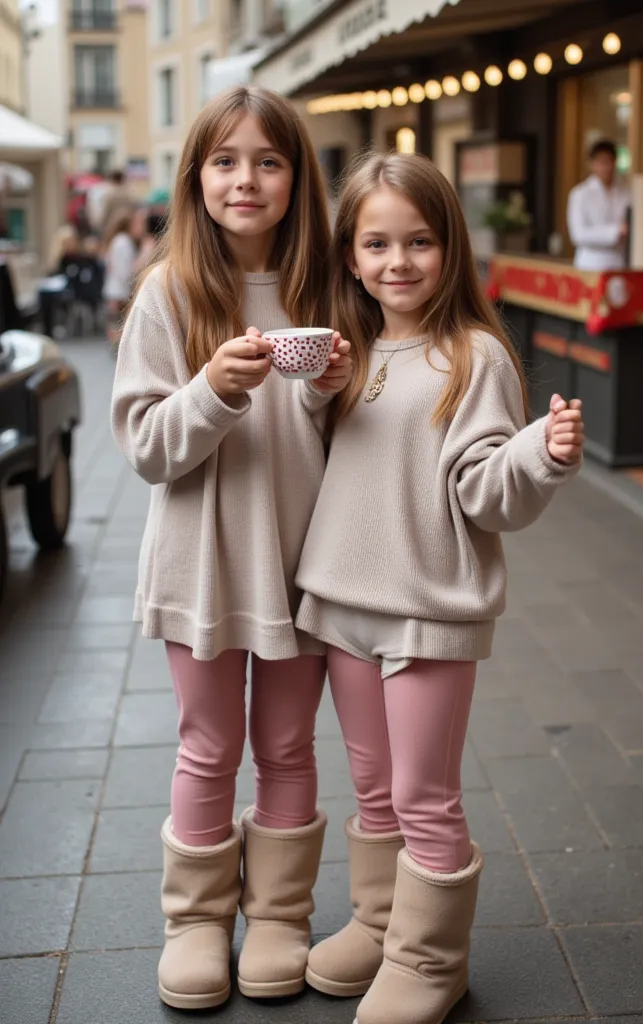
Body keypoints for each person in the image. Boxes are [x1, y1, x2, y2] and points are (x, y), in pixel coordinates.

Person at [295, 152, 584, 1024]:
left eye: (419, 241)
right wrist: (316, 394)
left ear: (450, 247)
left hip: (426, 612)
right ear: (350, 256)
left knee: (425, 796)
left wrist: (539, 453)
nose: (399, 262)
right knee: (374, 789)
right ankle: (381, 926)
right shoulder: (353, 353)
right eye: (377, 243)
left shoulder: (477, 356)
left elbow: (483, 493)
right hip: (341, 603)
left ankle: (430, 960)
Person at [110, 86, 352, 1012]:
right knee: (209, 744)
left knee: (289, 743)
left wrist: (335, 389)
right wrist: (213, 388)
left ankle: (282, 917)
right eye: (225, 161)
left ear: (297, 180)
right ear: (196, 177)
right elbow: (145, 448)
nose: (245, 179)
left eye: (268, 160)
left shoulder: (328, 289)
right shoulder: (170, 291)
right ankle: (197, 923)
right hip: (202, 556)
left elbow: (348, 437)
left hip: (300, 555)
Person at [567, 139, 631, 271]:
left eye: (609, 161)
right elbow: (578, 234)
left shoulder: (626, 193)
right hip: (591, 263)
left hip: (619, 262)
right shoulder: (580, 194)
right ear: (592, 164)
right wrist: (616, 231)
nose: (606, 167)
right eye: (601, 162)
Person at [103, 212, 138, 344]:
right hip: (120, 290)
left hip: (113, 288)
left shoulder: (115, 241)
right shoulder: (124, 242)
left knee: (115, 322)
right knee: (120, 323)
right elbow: (125, 270)